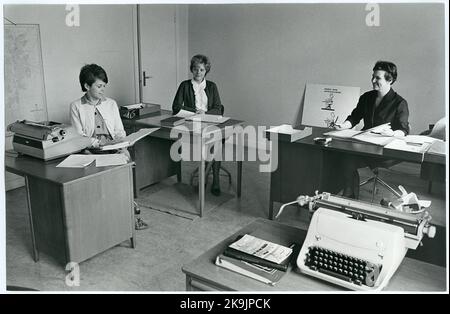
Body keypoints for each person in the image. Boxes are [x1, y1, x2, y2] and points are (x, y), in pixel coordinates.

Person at [69, 64, 148, 230]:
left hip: (113, 146)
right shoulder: (76, 106)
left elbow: (119, 130)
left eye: (104, 86)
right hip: (90, 150)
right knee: (97, 180)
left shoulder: (111, 104)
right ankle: (103, 218)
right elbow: (79, 136)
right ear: (86, 86)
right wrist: (98, 143)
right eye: (99, 86)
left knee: (125, 165)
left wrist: (123, 144)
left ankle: (129, 214)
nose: (102, 89)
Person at [335, 60, 410, 199]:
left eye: (378, 78)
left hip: (385, 150)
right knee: (341, 155)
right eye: (373, 76)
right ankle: (349, 193)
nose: (373, 80)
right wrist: (343, 125)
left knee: (348, 159)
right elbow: (355, 117)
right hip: (364, 145)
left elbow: (404, 129)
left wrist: (393, 133)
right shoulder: (366, 97)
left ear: (390, 80)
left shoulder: (400, 103)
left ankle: (349, 193)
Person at [172, 54, 223, 196]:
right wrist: (195, 112)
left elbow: (218, 108)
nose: (198, 72)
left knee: (215, 142)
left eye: (201, 69)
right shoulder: (185, 85)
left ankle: (215, 180)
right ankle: (204, 177)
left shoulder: (212, 86)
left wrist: (205, 112)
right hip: (191, 123)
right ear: (191, 70)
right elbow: (176, 107)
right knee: (204, 146)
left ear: (206, 70)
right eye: (195, 69)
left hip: (209, 122)